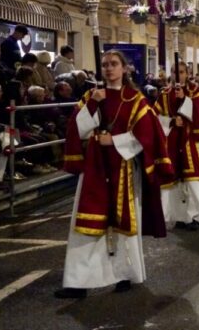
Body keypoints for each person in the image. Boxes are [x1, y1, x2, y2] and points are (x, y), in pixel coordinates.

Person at [54, 50, 175, 299]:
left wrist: (116, 140)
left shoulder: (135, 100)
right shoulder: (91, 95)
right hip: (95, 169)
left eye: (114, 64)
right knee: (85, 225)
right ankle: (78, 282)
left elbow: (147, 136)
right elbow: (78, 129)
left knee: (123, 225)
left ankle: (124, 274)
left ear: (124, 69)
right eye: (105, 65)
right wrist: (95, 103)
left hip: (123, 168)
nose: (109, 69)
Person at [155, 61, 199, 231]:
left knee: (194, 182)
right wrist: (172, 121)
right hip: (172, 144)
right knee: (174, 183)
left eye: (181, 72)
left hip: (191, 143)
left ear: (187, 73)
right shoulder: (164, 95)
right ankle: (180, 216)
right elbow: (155, 119)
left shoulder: (196, 94)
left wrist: (185, 101)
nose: (178, 75)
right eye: (174, 72)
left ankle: (198, 217)